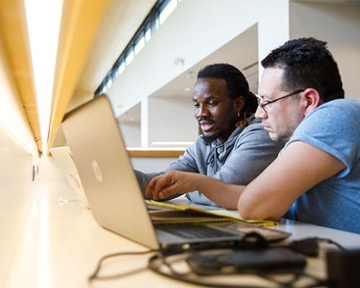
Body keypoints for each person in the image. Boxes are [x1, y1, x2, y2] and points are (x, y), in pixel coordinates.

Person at [146, 38, 360, 234]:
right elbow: (244, 196)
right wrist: (197, 182)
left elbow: (253, 205)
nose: (259, 113)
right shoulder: (301, 140)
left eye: (267, 101)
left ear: (309, 100)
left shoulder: (335, 114)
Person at [136, 63, 284, 207]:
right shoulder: (204, 144)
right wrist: (121, 175)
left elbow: (223, 191)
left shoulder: (261, 134)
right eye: (196, 105)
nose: (201, 113)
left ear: (238, 104)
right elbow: (161, 183)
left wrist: (188, 188)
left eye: (212, 103)